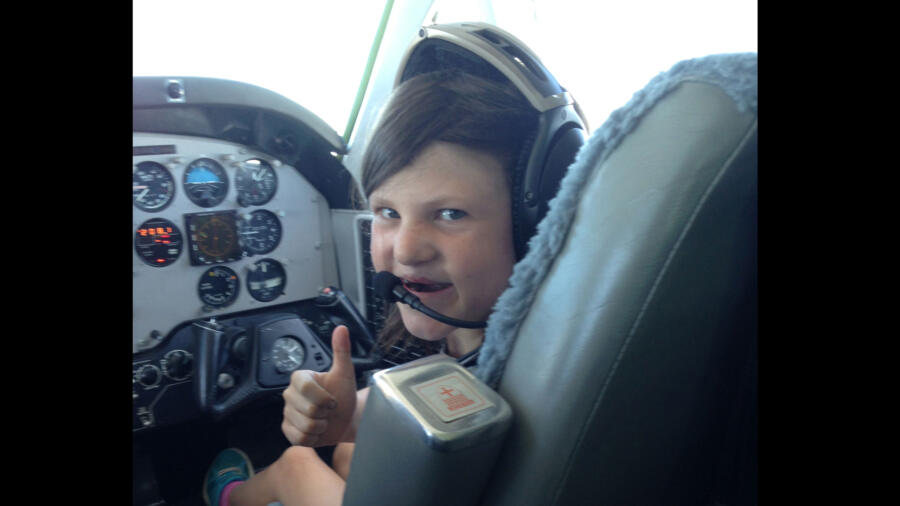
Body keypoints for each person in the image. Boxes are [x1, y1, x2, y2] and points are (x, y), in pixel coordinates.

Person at [202, 68, 539, 506]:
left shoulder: (525, 370)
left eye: (450, 214)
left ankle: (225, 498)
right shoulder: (502, 344)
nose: (406, 250)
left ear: (533, 222)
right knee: (344, 451)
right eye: (387, 212)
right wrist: (340, 418)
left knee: (297, 465)